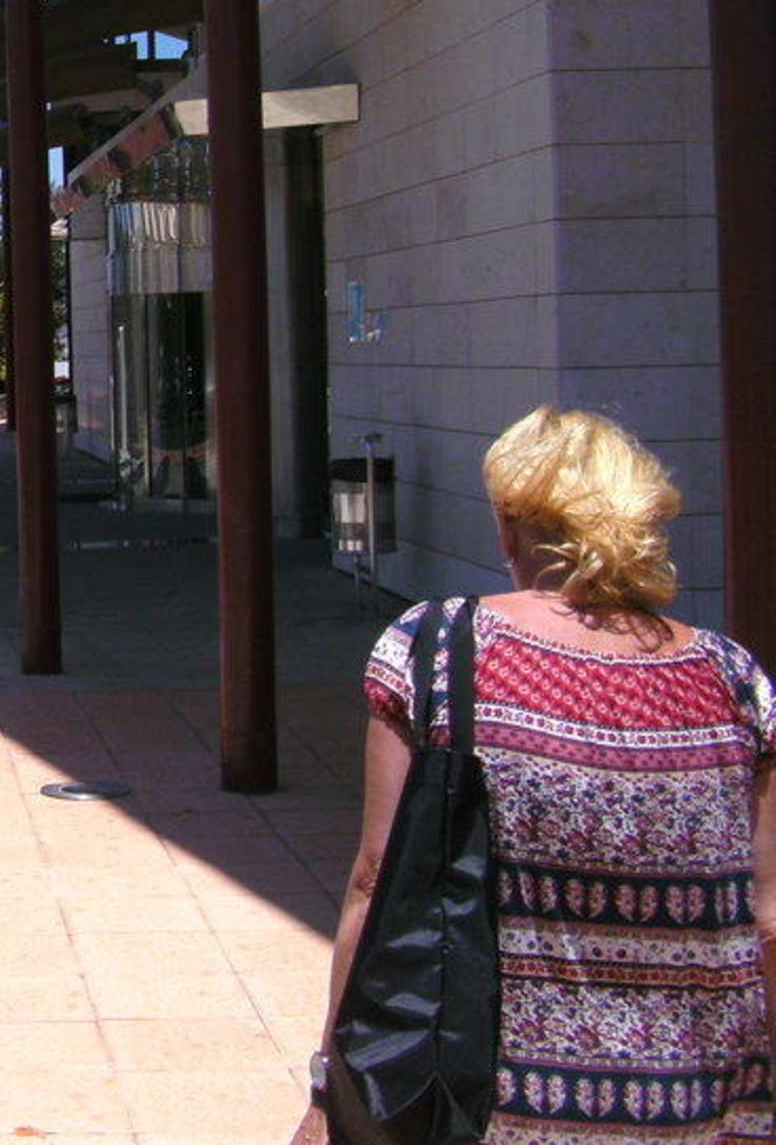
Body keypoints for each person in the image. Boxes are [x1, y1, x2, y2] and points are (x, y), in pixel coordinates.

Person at [293, 406, 776, 1144]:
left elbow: (375, 881)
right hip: (702, 1101)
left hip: (501, 1101)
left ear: (509, 527)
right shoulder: (732, 679)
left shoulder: (436, 649)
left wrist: (333, 1090)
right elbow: (767, 918)